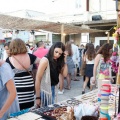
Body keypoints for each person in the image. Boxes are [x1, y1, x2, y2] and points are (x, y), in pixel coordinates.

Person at [6, 38, 40, 110]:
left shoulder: (9, 59)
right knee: (29, 110)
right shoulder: (31, 56)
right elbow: (43, 61)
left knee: (19, 112)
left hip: (17, 91)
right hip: (29, 89)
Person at [35, 42, 68, 107]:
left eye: (60, 54)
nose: (57, 55)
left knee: (51, 110)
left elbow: (64, 74)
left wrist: (65, 60)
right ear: (52, 49)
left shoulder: (58, 60)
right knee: (46, 111)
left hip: (53, 88)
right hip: (45, 90)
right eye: (56, 52)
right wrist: (37, 97)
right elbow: (38, 78)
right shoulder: (45, 60)